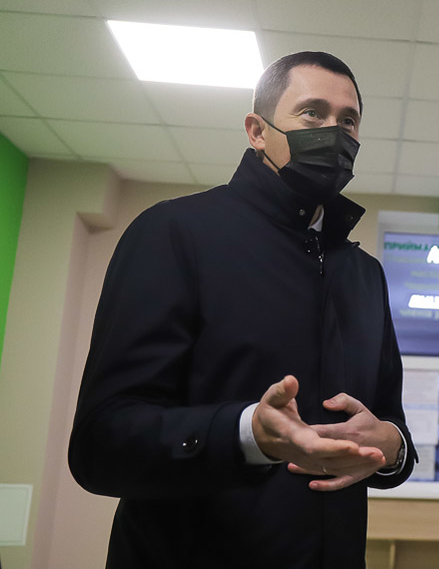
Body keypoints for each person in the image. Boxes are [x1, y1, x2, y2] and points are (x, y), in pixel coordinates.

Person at [68, 52, 416, 569]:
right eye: (312, 113)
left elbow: (389, 420)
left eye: (348, 121)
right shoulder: (175, 233)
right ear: (257, 131)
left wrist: (393, 447)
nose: (334, 132)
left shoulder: (365, 275)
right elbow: (102, 444)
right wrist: (248, 434)